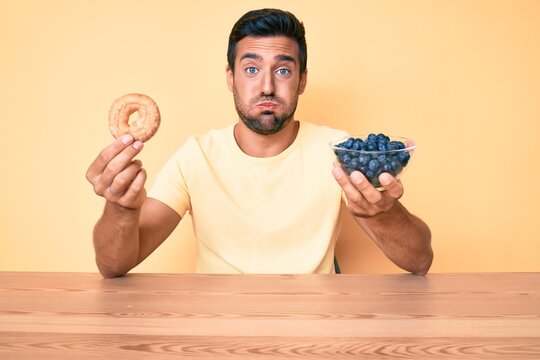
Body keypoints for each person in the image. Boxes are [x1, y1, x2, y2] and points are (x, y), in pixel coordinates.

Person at [86, 8, 433, 277]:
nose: (267, 86)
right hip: (219, 326)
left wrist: (385, 214)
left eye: (283, 70)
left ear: (301, 81)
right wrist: (120, 209)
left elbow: (419, 260)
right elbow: (114, 266)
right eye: (251, 69)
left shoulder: (338, 152)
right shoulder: (197, 156)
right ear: (230, 78)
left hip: (314, 324)